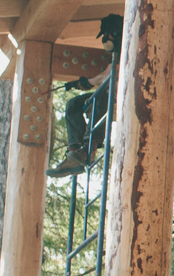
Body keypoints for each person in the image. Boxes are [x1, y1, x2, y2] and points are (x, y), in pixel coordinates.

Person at [51, 13, 123, 178]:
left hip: (122, 96)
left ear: (117, 32)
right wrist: (83, 83)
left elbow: (109, 76)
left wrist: (87, 82)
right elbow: (106, 75)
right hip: (109, 92)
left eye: (106, 34)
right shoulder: (116, 54)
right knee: (73, 105)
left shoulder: (129, 50)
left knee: (100, 97)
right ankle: (74, 153)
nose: (105, 39)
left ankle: (89, 148)